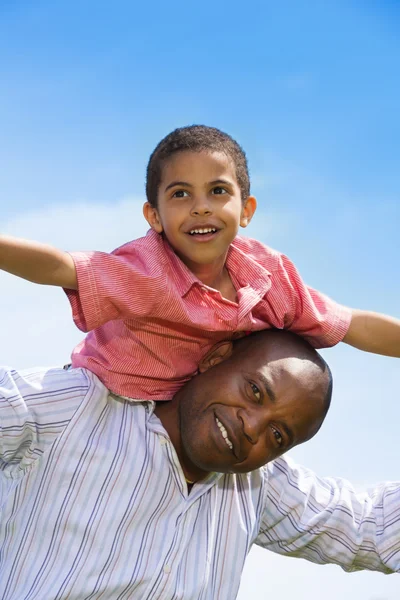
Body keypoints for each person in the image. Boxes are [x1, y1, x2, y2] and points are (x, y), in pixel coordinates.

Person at [0, 125, 399, 404]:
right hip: (100, 391)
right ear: (154, 217)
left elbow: (350, 324)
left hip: (181, 413)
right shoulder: (145, 270)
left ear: (246, 210)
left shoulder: (268, 279)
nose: (201, 206)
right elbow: (58, 267)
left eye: (218, 191)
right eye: (180, 194)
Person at [0, 330, 398, 600]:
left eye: (279, 436)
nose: (252, 426)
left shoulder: (258, 485)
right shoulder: (82, 408)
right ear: (215, 358)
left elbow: (371, 528)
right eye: (255, 391)